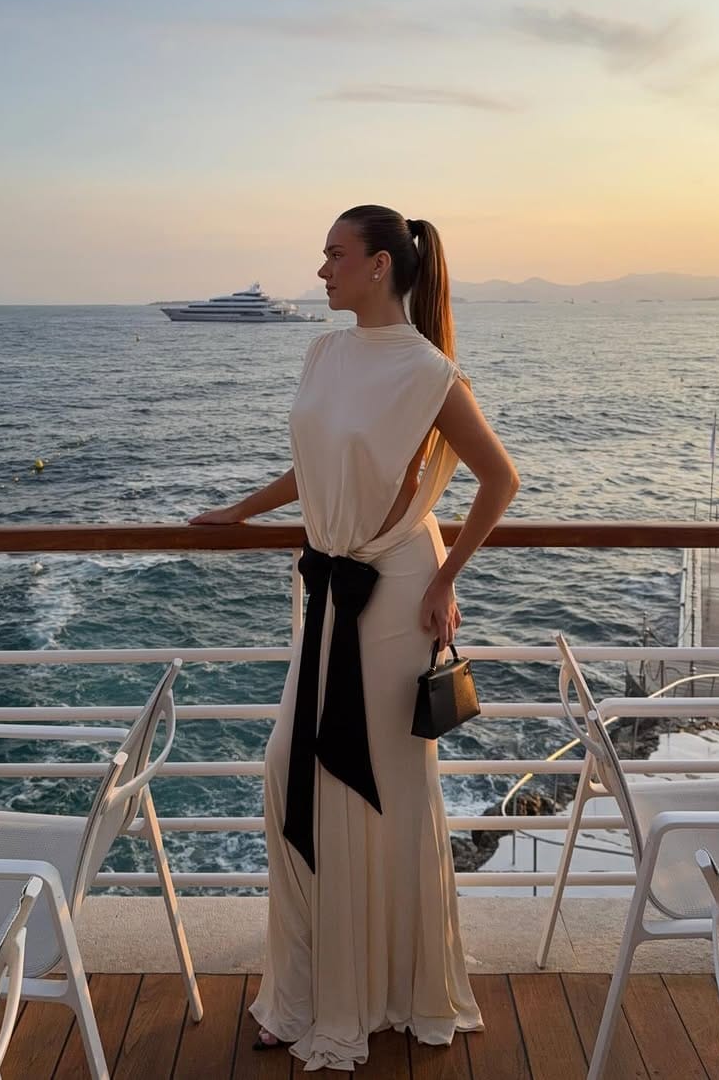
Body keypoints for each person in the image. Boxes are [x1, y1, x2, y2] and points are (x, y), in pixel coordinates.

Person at [191, 205, 519, 1071]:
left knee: (376, 792)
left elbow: (500, 479)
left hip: (398, 594)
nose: (322, 266)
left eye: (335, 254)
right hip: (331, 589)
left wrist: (446, 580)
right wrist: (240, 510)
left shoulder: (430, 371)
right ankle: (306, 991)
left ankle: (382, 994)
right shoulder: (325, 351)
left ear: (380, 265)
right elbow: (318, 468)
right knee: (290, 773)